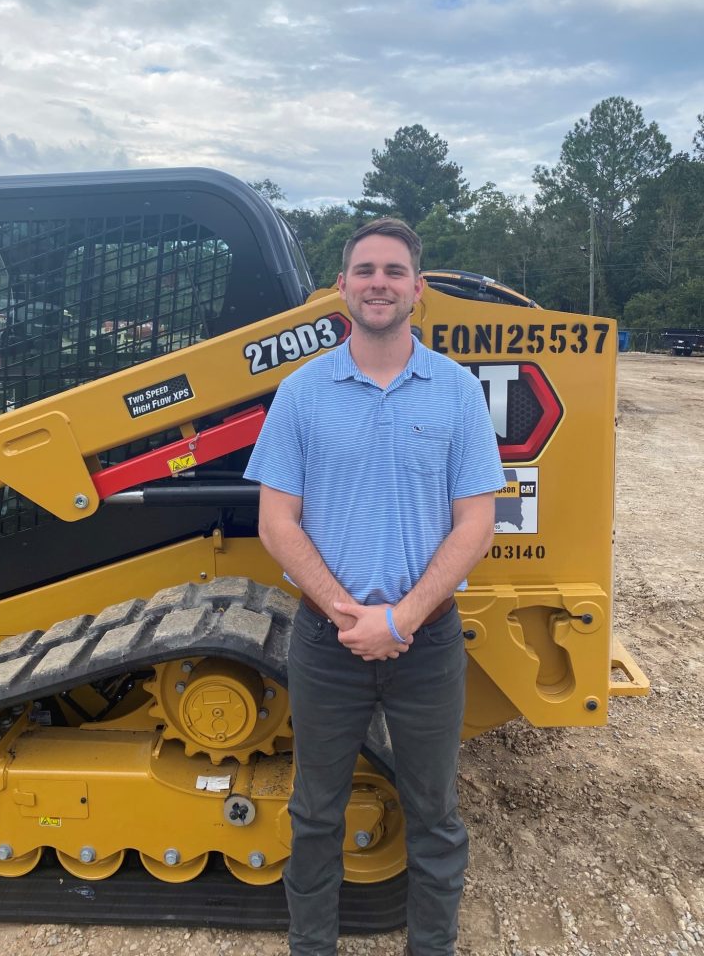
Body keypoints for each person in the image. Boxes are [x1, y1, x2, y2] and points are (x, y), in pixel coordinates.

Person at [244, 218, 506, 956]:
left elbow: (476, 524)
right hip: (327, 643)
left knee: (435, 815)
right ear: (342, 288)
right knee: (315, 814)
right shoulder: (301, 393)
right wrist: (348, 614)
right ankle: (312, 946)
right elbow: (276, 522)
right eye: (365, 270)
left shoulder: (457, 392)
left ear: (418, 290)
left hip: (428, 644)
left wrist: (402, 619)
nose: (379, 283)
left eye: (394, 271)